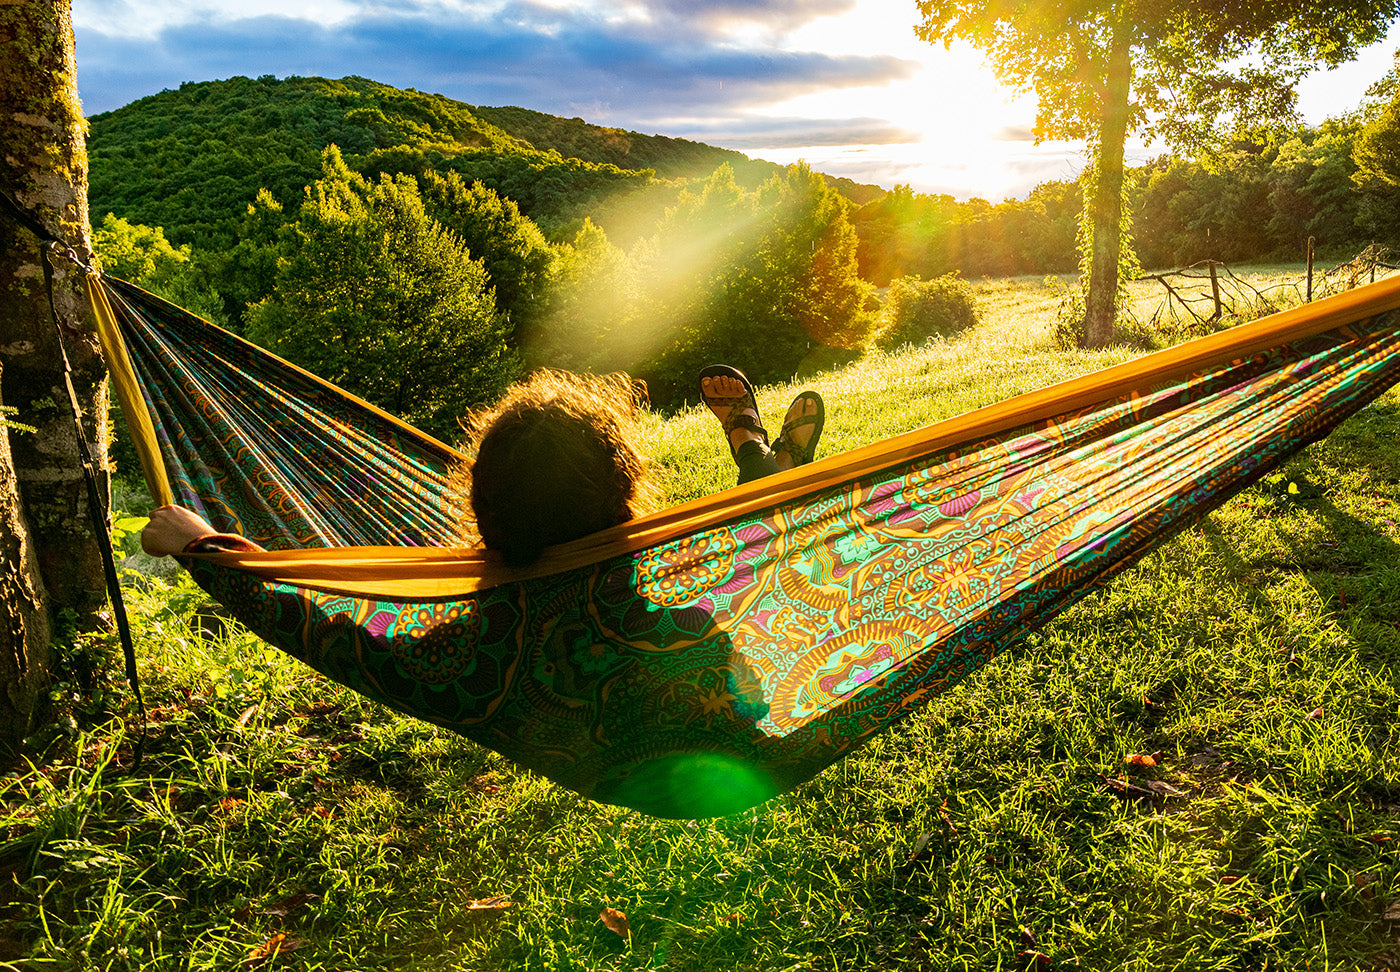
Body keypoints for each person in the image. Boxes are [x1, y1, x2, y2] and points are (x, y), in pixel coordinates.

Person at [143, 365, 825, 566]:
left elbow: (303, 605)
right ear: (628, 488)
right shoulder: (670, 586)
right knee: (766, 524)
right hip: (716, 772)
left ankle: (761, 459)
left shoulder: (452, 632)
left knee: (761, 520)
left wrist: (198, 541)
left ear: (478, 499)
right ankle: (760, 460)